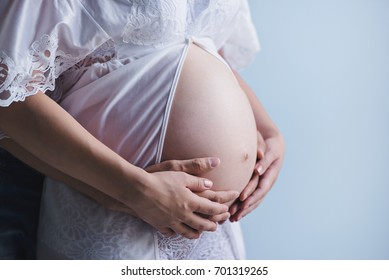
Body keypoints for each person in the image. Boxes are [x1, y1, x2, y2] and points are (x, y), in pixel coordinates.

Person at [0, 0, 284, 259]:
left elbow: (202, 39)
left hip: (215, 229)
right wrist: (136, 191)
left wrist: (267, 129)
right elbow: (9, 95)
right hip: (115, 209)